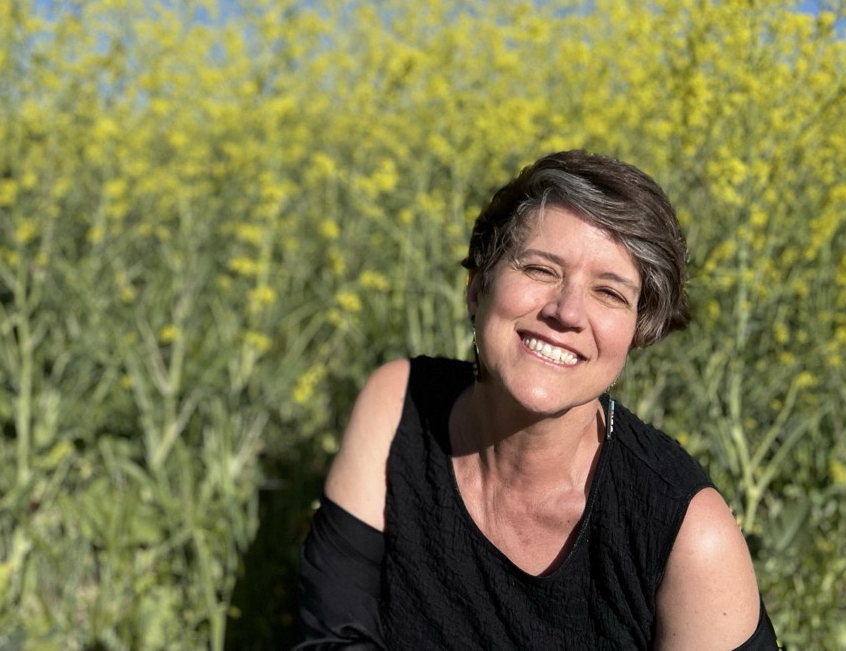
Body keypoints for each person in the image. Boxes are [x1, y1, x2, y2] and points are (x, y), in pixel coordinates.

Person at [296, 150, 779, 649]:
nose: (567, 312)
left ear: (638, 332)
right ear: (477, 286)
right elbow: (332, 638)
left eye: (610, 293)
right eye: (541, 269)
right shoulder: (399, 407)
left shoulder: (688, 536)